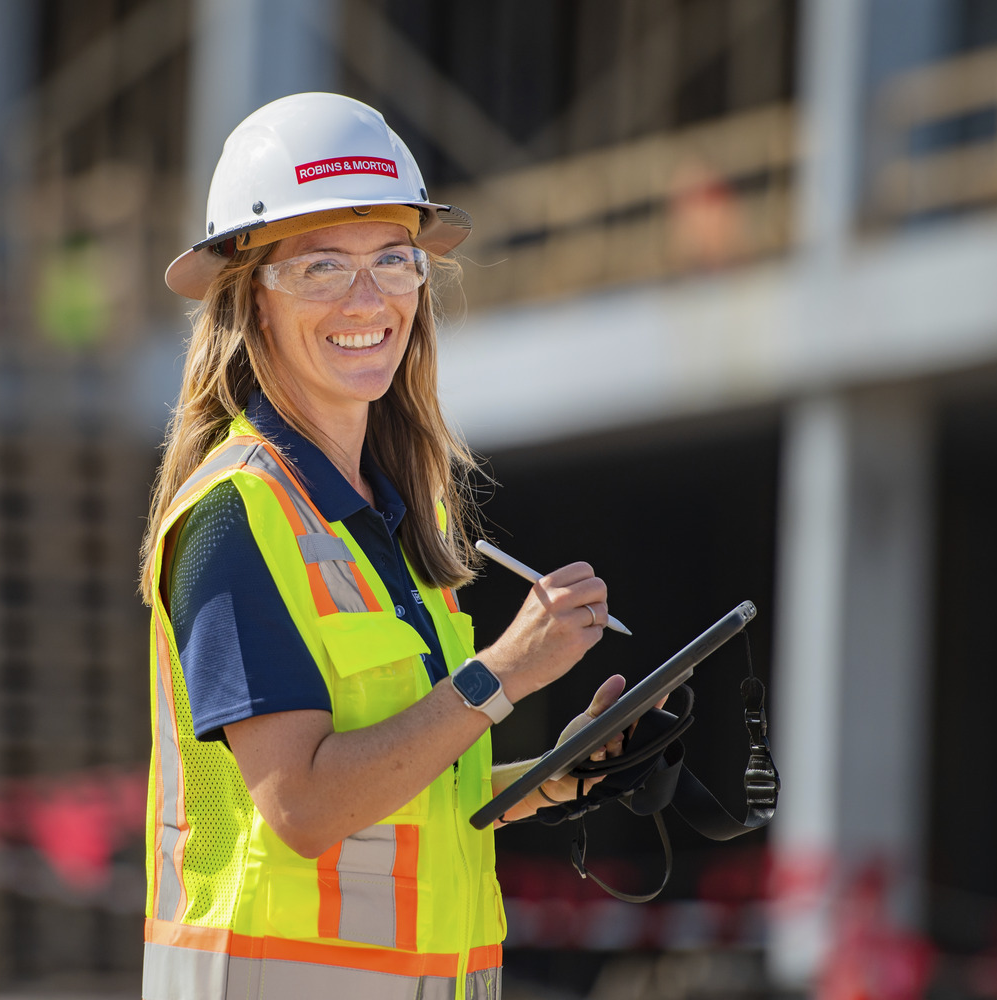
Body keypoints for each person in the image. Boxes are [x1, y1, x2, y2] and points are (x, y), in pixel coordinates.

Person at [139, 93, 630, 1000]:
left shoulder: (392, 523)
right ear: (253, 299)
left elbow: (407, 795)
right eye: (322, 267)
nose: (368, 300)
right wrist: (502, 674)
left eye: (394, 263)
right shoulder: (235, 516)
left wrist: (562, 776)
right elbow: (307, 808)